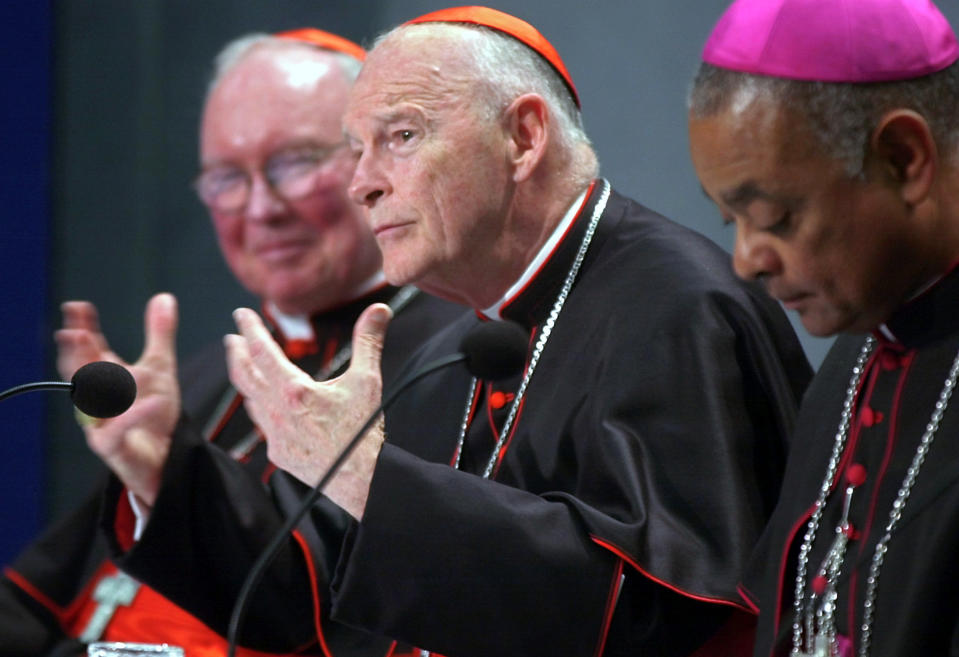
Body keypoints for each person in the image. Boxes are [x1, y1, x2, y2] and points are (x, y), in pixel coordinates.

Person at [214, 7, 813, 656]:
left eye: (402, 136)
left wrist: (364, 474)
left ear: (524, 137)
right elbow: (302, 599)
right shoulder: (457, 347)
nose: (363, 184)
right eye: (358, 150)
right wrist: (161, 467)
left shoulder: (677, 308)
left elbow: (649, 615)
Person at [0, 29, 461, 657]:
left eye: (296, 162)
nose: (260, 209)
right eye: (226, 178)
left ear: (375, 163)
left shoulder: (452, 366)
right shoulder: (197, 383)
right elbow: (35, 604)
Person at [687, 0, 959, 654]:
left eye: (774, 217)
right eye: (731, 221)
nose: (745, 261)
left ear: (902, 157)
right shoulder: (847, 364)